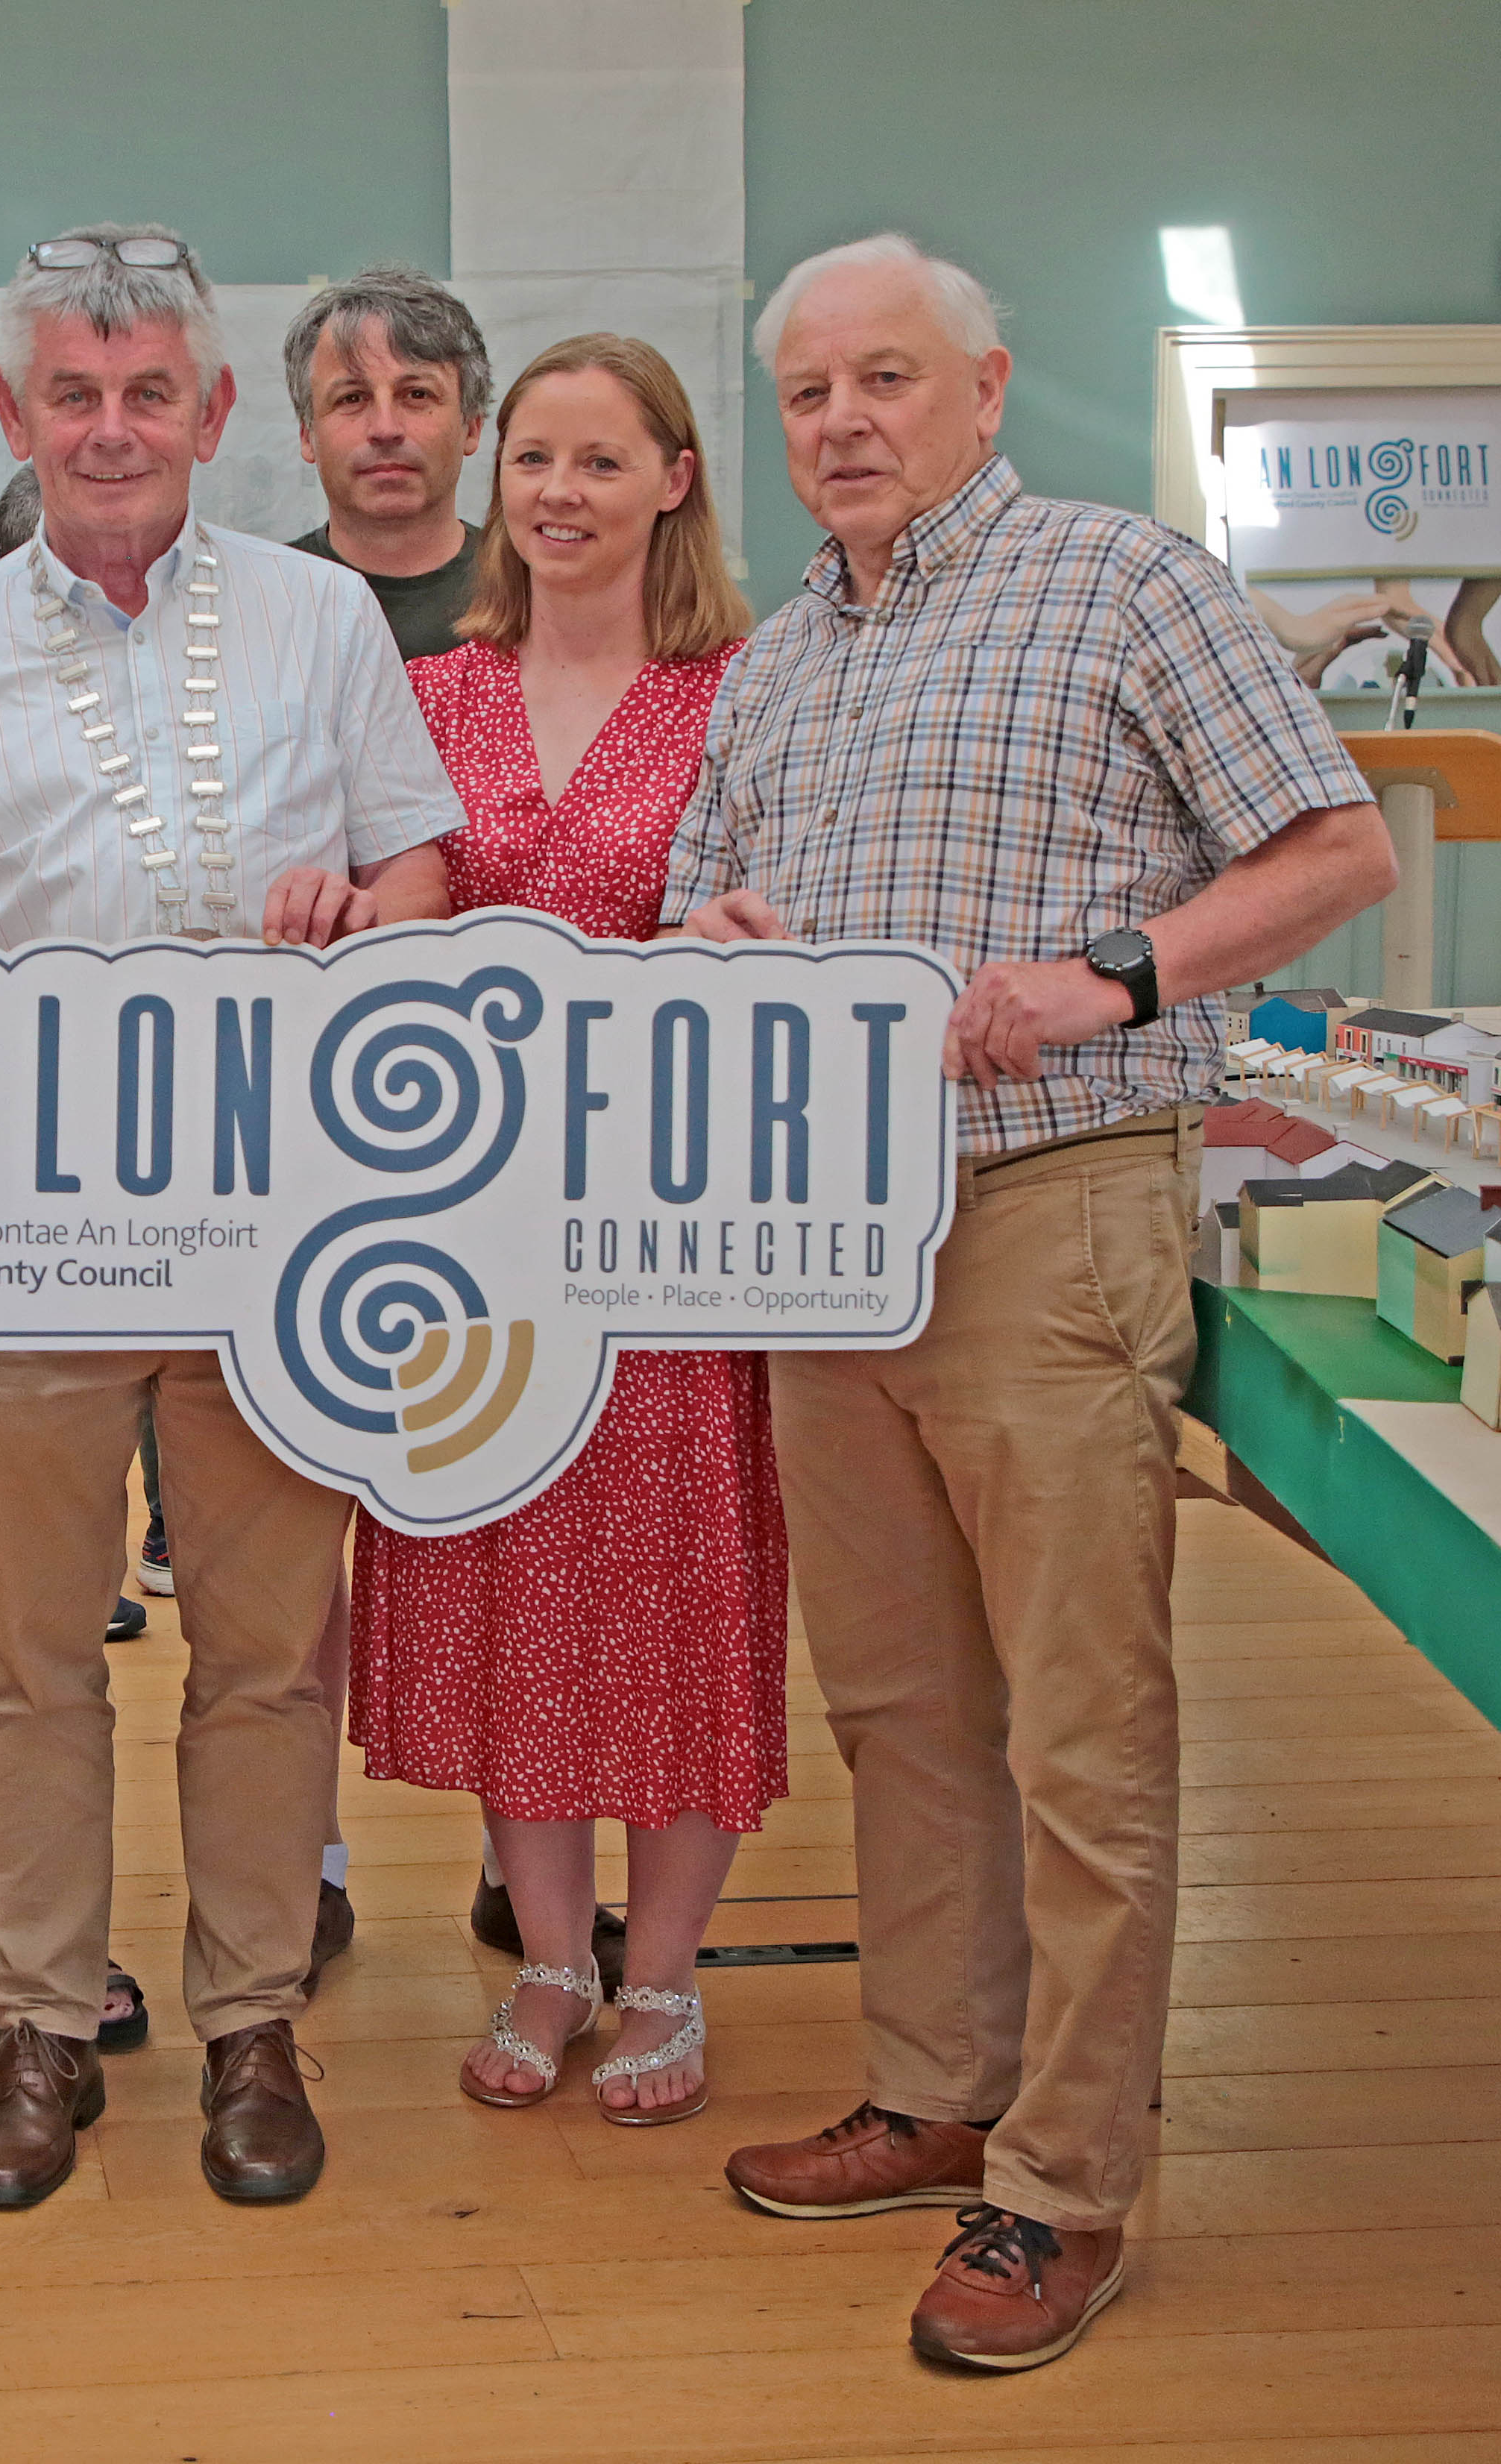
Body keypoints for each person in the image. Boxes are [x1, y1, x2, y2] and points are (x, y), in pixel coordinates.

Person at [673, 233, 1394, 2369]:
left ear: (985, 388)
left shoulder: (1123, 583)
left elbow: (1334, 848)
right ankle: (932, 2082)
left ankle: (1062, 2186)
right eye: (808, 395)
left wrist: (1115, 977)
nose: (845, 426)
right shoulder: (782, 655)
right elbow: (728, 879)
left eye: (886, 380)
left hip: (1044, 1212)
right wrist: (718, 929)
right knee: (903, 1715)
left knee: (1081, 1733)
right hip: (829, 1244)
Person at [0, 224, 461, 2210]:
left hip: (279, 1233)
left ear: (210, 415)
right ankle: (39, 2023)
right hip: (25, 1238)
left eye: (146, 395)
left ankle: (254, 2018)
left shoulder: (319, 627)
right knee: (30, 1656)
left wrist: (362, 919)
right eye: (70, 397)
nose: (110, 431)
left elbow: (425, 879)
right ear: (16, 416)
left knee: (270, 1651)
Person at [346, 333, 780, 2131]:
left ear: (671, 479)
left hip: (673, 1241)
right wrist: (350, 909)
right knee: (501, 1580)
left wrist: (736, 948)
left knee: (677, 1595)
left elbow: (790, 919)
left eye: (599, 461)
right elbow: (404, 905)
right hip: (473, 1237)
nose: (556, 493)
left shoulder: (743, 694)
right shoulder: (431, 695)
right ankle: (545, 1954)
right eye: (532, 458)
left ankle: (660, 1978)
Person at [283, 265, 491, 657]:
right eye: (352, 398)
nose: (385, 428)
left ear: (472, 425)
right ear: (307, 435)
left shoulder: (538, 594)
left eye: (416, 395)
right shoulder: (255, 602)